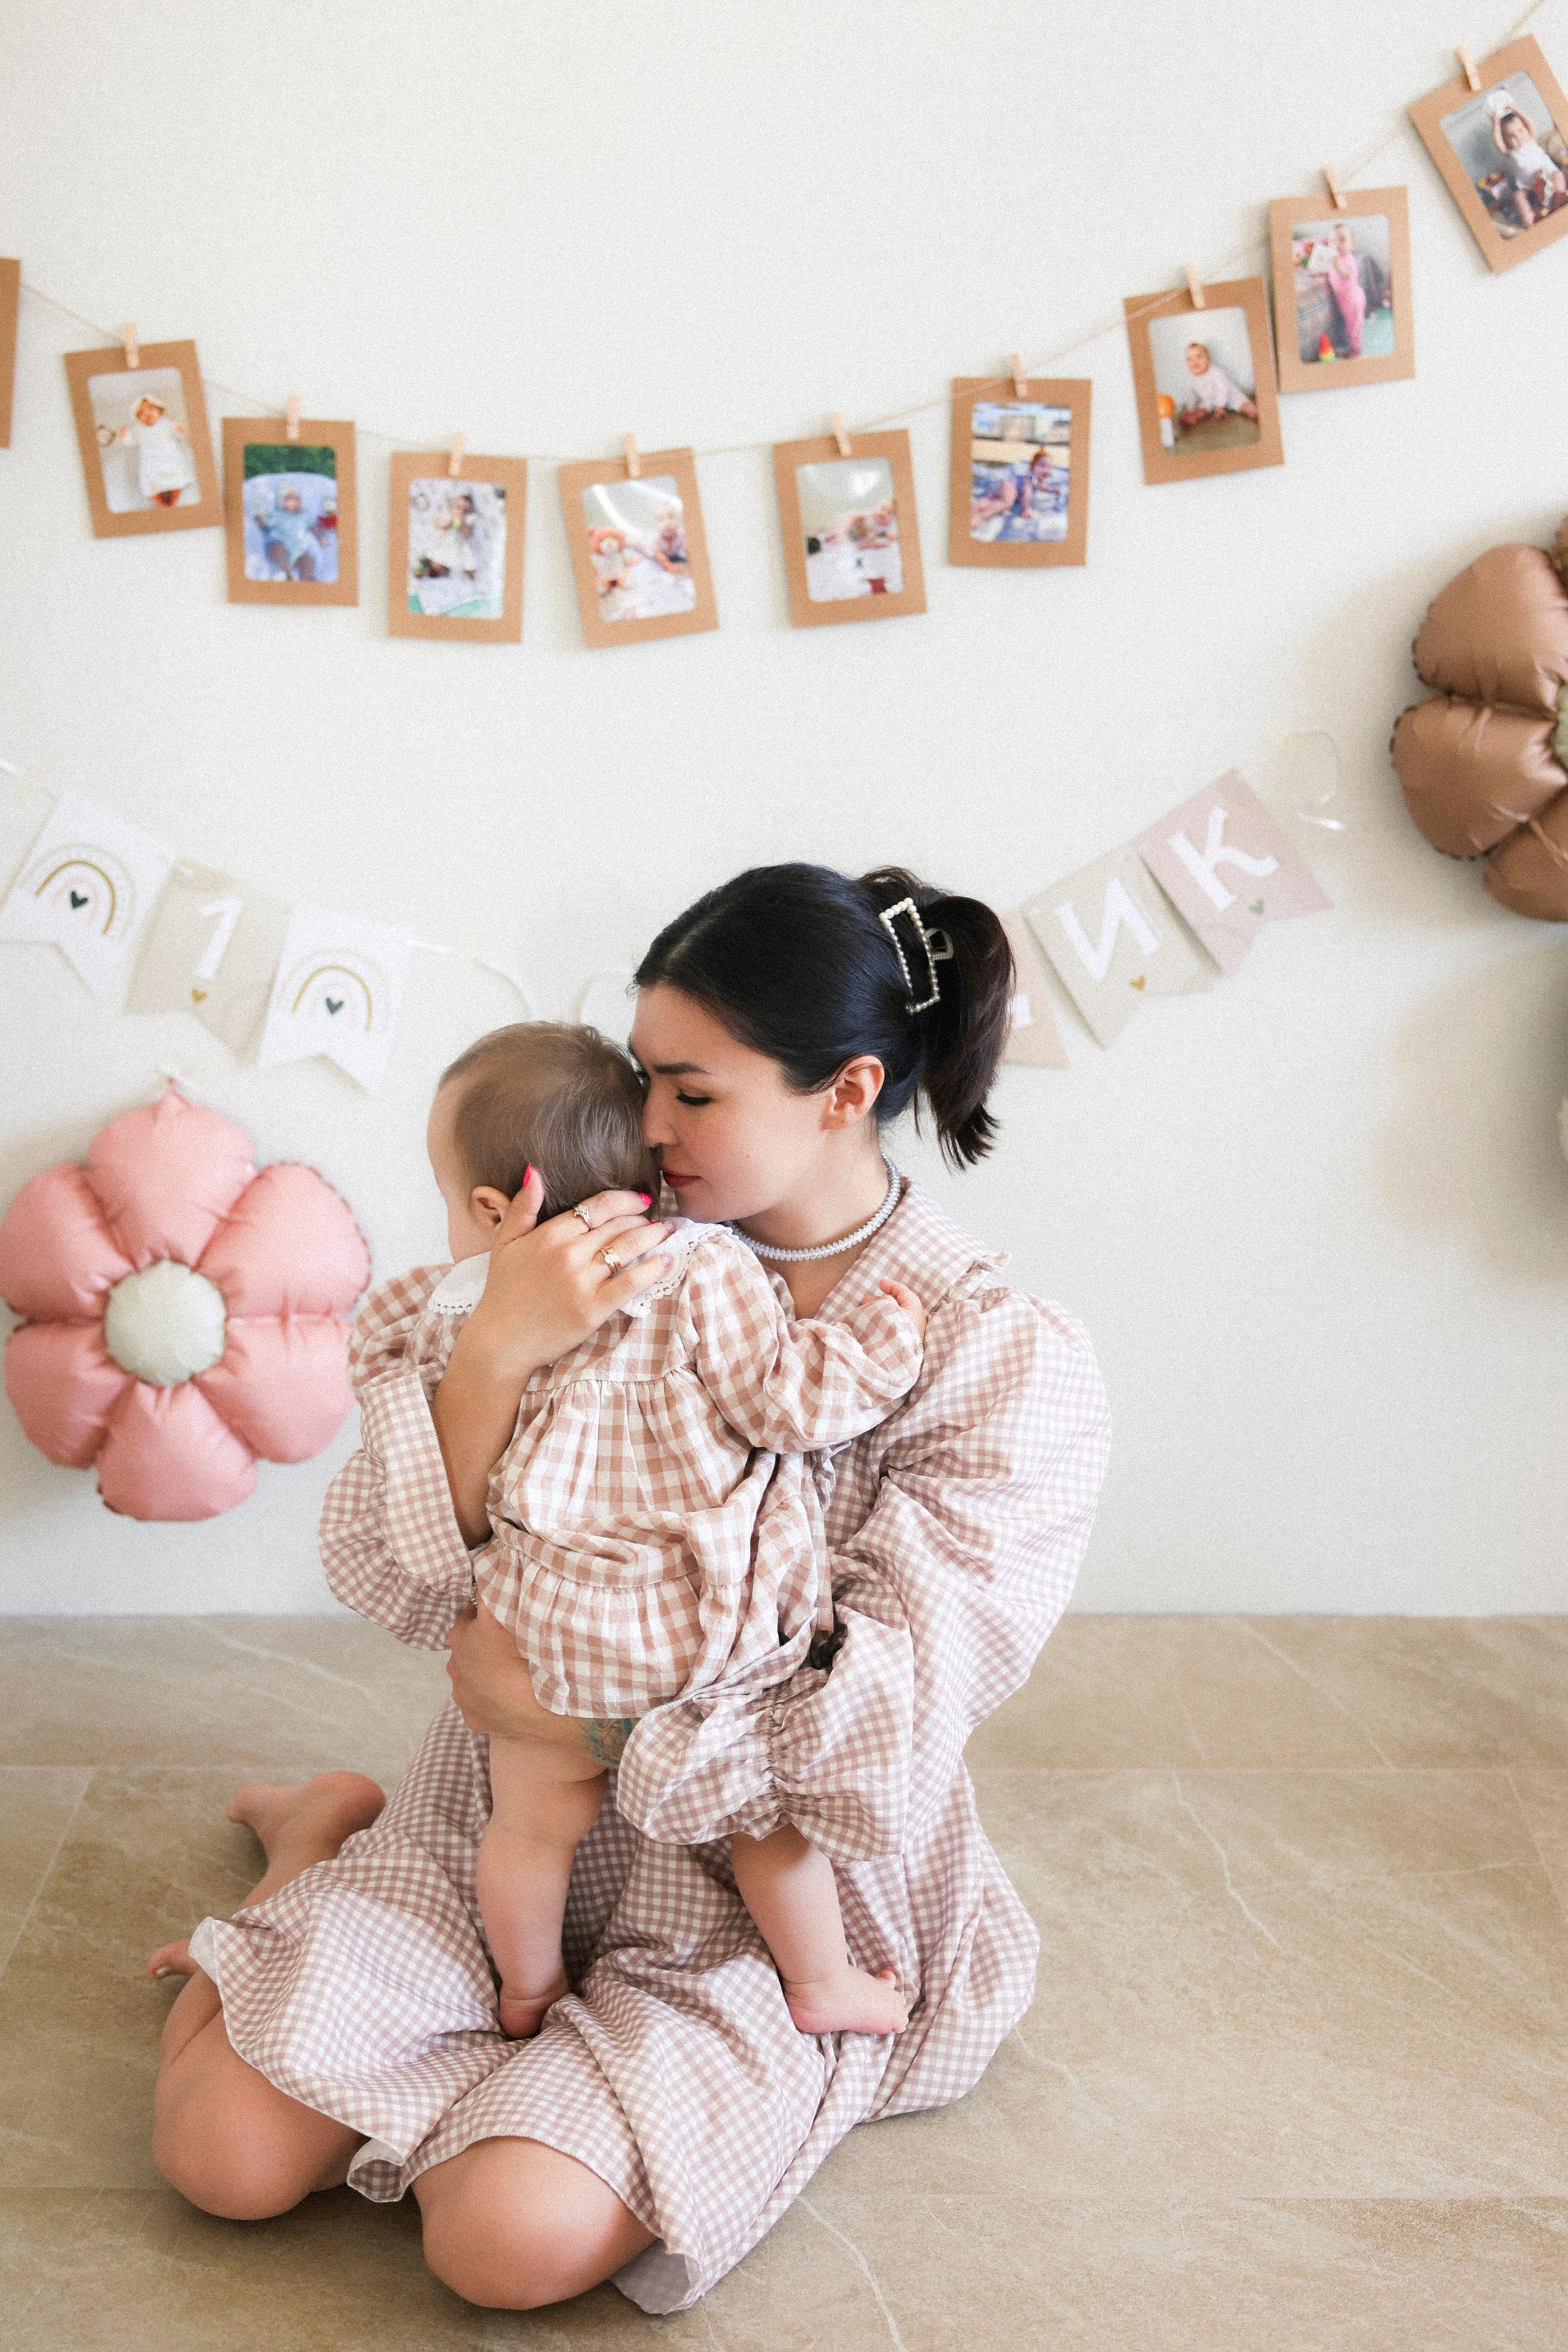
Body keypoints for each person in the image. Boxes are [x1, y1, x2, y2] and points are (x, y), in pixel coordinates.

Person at [147, 862, 1111, 2316]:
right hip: (506, 1817)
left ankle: (513, 2061)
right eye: (642, 1072)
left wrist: (585, 1718)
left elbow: (885, 1720)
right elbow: (387, 1577)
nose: (645, 1124)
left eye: (692, 1090)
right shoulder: (584, 1254)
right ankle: (315, 1844)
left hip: (764, 1882)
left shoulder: (989, 1350)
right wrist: (494, 1353)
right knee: (218, 2156)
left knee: (500, 2242)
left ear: (845, 1091)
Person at [335, 1018, 925, 2040]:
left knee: (528, 1830)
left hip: (542, 1632)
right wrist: (883, 1341)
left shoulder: (454, 1309)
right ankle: (822, 1981)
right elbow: (787, 1401)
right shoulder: (702, 1267)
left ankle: (528, 1990)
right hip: (693, 1632)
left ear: (493, 1208)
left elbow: (421, 1456)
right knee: (766, 1822)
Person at [1488, 87, 1568, 230]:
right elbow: (1498, 143)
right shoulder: (1510, 152)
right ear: (1506, 140)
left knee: (1559, 174)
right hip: (1530, 186)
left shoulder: (1531, 139)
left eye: (1520, 130)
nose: (1518, 137)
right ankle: (1528, 216)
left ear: (1526, 129)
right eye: (1512, 136)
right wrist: (1496, 124)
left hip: (1548, 174)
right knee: (1517, 195)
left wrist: (1514, 108)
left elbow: (1529, 122)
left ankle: (1560, 196)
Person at [113, 390, 195, 508]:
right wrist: (124, 437)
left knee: (177, 481)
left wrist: (179, 431)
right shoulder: (139, 430)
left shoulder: (167, 424)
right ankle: (162, 504)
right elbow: (131, 441)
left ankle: (173, 502)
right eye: (141, 413)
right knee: (150, 485)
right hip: (151, 463)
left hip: (170, 458)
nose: (147, 414)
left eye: (151, 409)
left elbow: (177, 433)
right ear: (138, 418)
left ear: (160, 410)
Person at [1176, 340, 1259, 428]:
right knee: (1203, 408)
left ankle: (1254, 411)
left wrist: (1220, 407)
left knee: (1242, 402)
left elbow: (1222, 389)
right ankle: (1194, 417)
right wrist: (1191, 410)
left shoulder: (1216, 372)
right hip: (1210, 400)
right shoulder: (1192, 379)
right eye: (1190, 360)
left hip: (1229, 395)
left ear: (1208, 359)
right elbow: (1191, 395)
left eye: (1199, 357)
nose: (1195, 362)